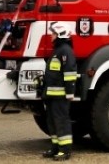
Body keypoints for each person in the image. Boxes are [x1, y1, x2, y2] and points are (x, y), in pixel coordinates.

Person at [41, 22, 77, 161]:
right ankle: (55, 147)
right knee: (52, 122)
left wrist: (70, 92)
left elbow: (70, 73)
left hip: (60, 96)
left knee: (61, 122)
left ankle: (65, 150)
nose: (51, 36)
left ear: (60, 34)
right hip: (52, 95)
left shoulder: (65, 51)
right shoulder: (57, 50)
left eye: (53, 33)